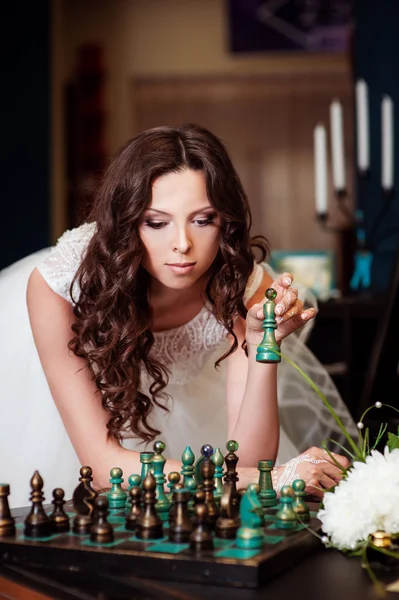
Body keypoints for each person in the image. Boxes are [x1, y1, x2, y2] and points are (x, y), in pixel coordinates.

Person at [0, 124, 355, 508]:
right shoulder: (61, 286)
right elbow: (103, 467)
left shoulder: (242, 285)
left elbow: (250, 463)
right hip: (60, 407)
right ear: (127, 222)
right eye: (156, 222)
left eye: (203, 220)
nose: (182, 244)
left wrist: (261, 347)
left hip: (182, 413)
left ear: (225, 222)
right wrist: (273, 478)